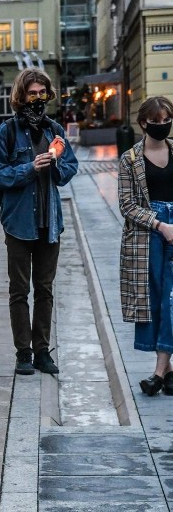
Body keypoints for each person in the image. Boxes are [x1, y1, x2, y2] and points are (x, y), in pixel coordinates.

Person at [0, 68, 78, 376]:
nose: (38, 99)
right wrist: (29, 168)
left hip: (50, 222)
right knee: (19, 289)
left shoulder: (55, 130)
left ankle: (42, 351)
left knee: (45, 288)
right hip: (18, 223)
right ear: (21, 96)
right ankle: (23, 352)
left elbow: (70, 168)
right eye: (32, 93)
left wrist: (54, 166)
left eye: (42, 93)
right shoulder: (7, 132)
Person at [118, 96, 173, 396]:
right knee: (154, 300)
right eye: (157, 122)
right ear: (143, 124)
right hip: (147, 236)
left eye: (167, 121)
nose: (163, 126)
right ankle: (169, 370)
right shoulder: (130, 159)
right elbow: (127, 205)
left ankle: (158, 372)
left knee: (171, 299)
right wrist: (161, 225)